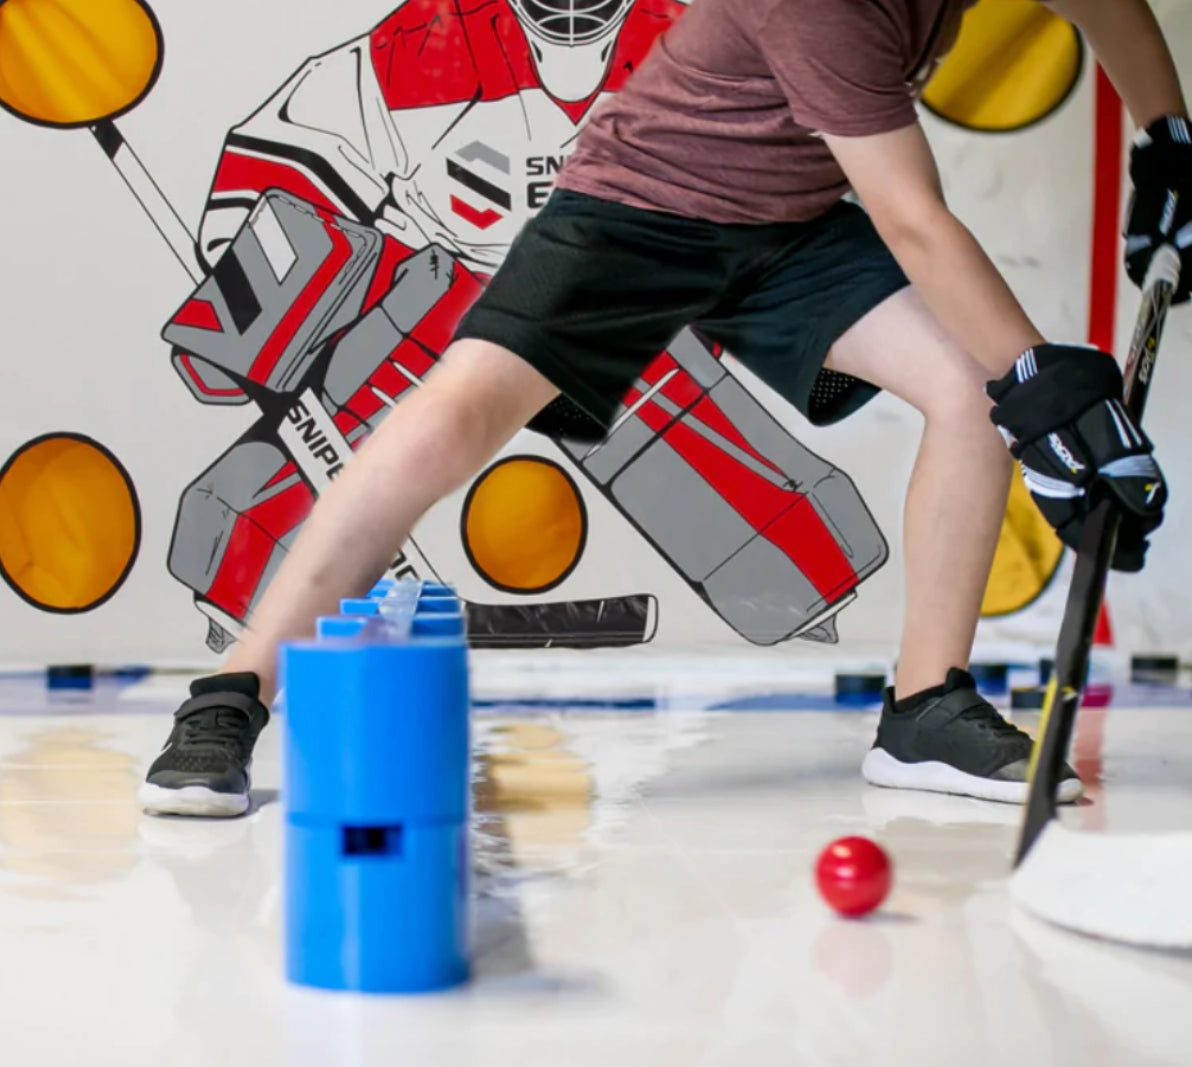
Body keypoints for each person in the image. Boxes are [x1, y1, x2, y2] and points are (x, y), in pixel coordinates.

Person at [138, 0, 1188, 818]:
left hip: (786, 225)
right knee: (449, 417)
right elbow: (915, 222)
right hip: (641, 207)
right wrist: (1050, 392)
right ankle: (229, 696)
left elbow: (1101, 6)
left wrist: (1167, 135)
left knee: (964, 386)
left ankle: (922, 709)